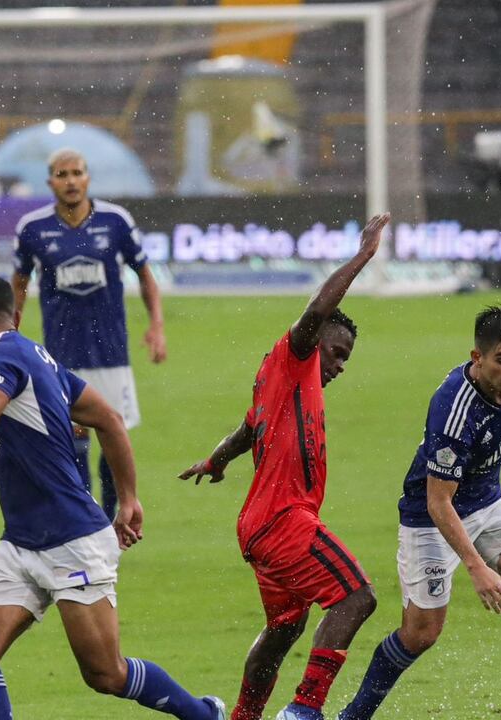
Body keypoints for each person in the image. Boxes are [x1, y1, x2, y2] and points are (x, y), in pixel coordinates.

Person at [0, 273, 224, 720]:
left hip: (72, 540)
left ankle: (204, 715)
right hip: (21, 542)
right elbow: (109, 418)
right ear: (14, 315)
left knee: (105, 675)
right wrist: (128, 499)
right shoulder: (38, 356)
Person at [178, 214, 390, 720]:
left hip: (259, 526)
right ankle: (304, 711)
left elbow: (250, 428)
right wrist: (362, 258)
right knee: (356, 598)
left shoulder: (284, 384)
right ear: (314, 341)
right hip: (284, 520)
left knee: (284, 630)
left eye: (346, 359)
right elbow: (317, 309)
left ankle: (244, 717)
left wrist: (216, 459)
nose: (339, 365)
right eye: (336, 353)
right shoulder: (293, 357)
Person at [338, 306, 501, 720]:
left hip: (486, 503)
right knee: (421, 633)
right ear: (477, 358)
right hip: (431, 519)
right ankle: (353, 716)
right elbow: (439, 502)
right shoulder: (453, 412)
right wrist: (477, 567)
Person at [11, 148, 167, 520]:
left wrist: (156, 325)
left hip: (111, 356)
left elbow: (145, 274)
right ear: (50, 182)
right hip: (63, 359)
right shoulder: (33, 229)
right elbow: (18, 283)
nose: (70, 181)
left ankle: (114, 519)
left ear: (88, 178)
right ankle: (85, 521)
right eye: (62, 175)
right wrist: (10, 333)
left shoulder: (115, 221)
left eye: (76, 173)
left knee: (112, 443)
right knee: (75, 445)